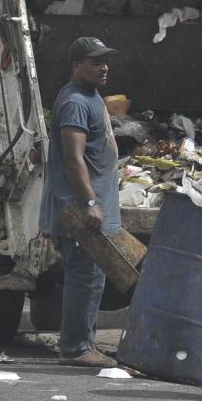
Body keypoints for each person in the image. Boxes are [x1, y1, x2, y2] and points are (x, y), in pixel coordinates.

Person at [39, 36, 121, 368]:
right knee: (84, 275)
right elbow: (73, 158)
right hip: (79, 207)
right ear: (76, 66)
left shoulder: (90, 96)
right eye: (95, 62)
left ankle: (82, 343)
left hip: (89, 204)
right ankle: (75, 348)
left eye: (105, 61)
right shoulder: (75, 101)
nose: (103, 67)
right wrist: (89, 203)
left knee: (92, 275)